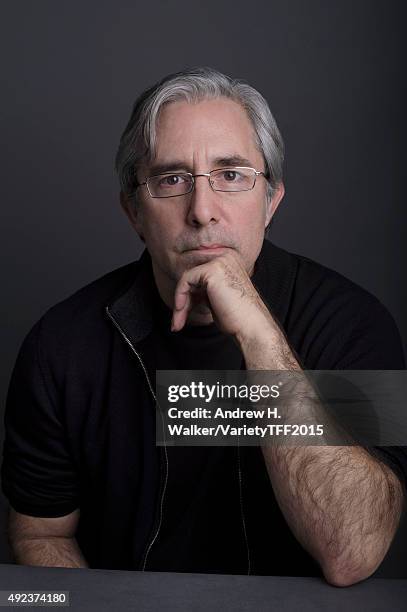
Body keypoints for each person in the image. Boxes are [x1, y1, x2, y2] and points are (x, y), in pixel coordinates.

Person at [1, 67, 406, 586]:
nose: (202, 211)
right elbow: (42, 534)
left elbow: (354, 551)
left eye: (232, 174)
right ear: (133, 210)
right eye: (171, 179)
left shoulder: (354, 322)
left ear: (272, 199)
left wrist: (260, 336)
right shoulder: (60, 345)